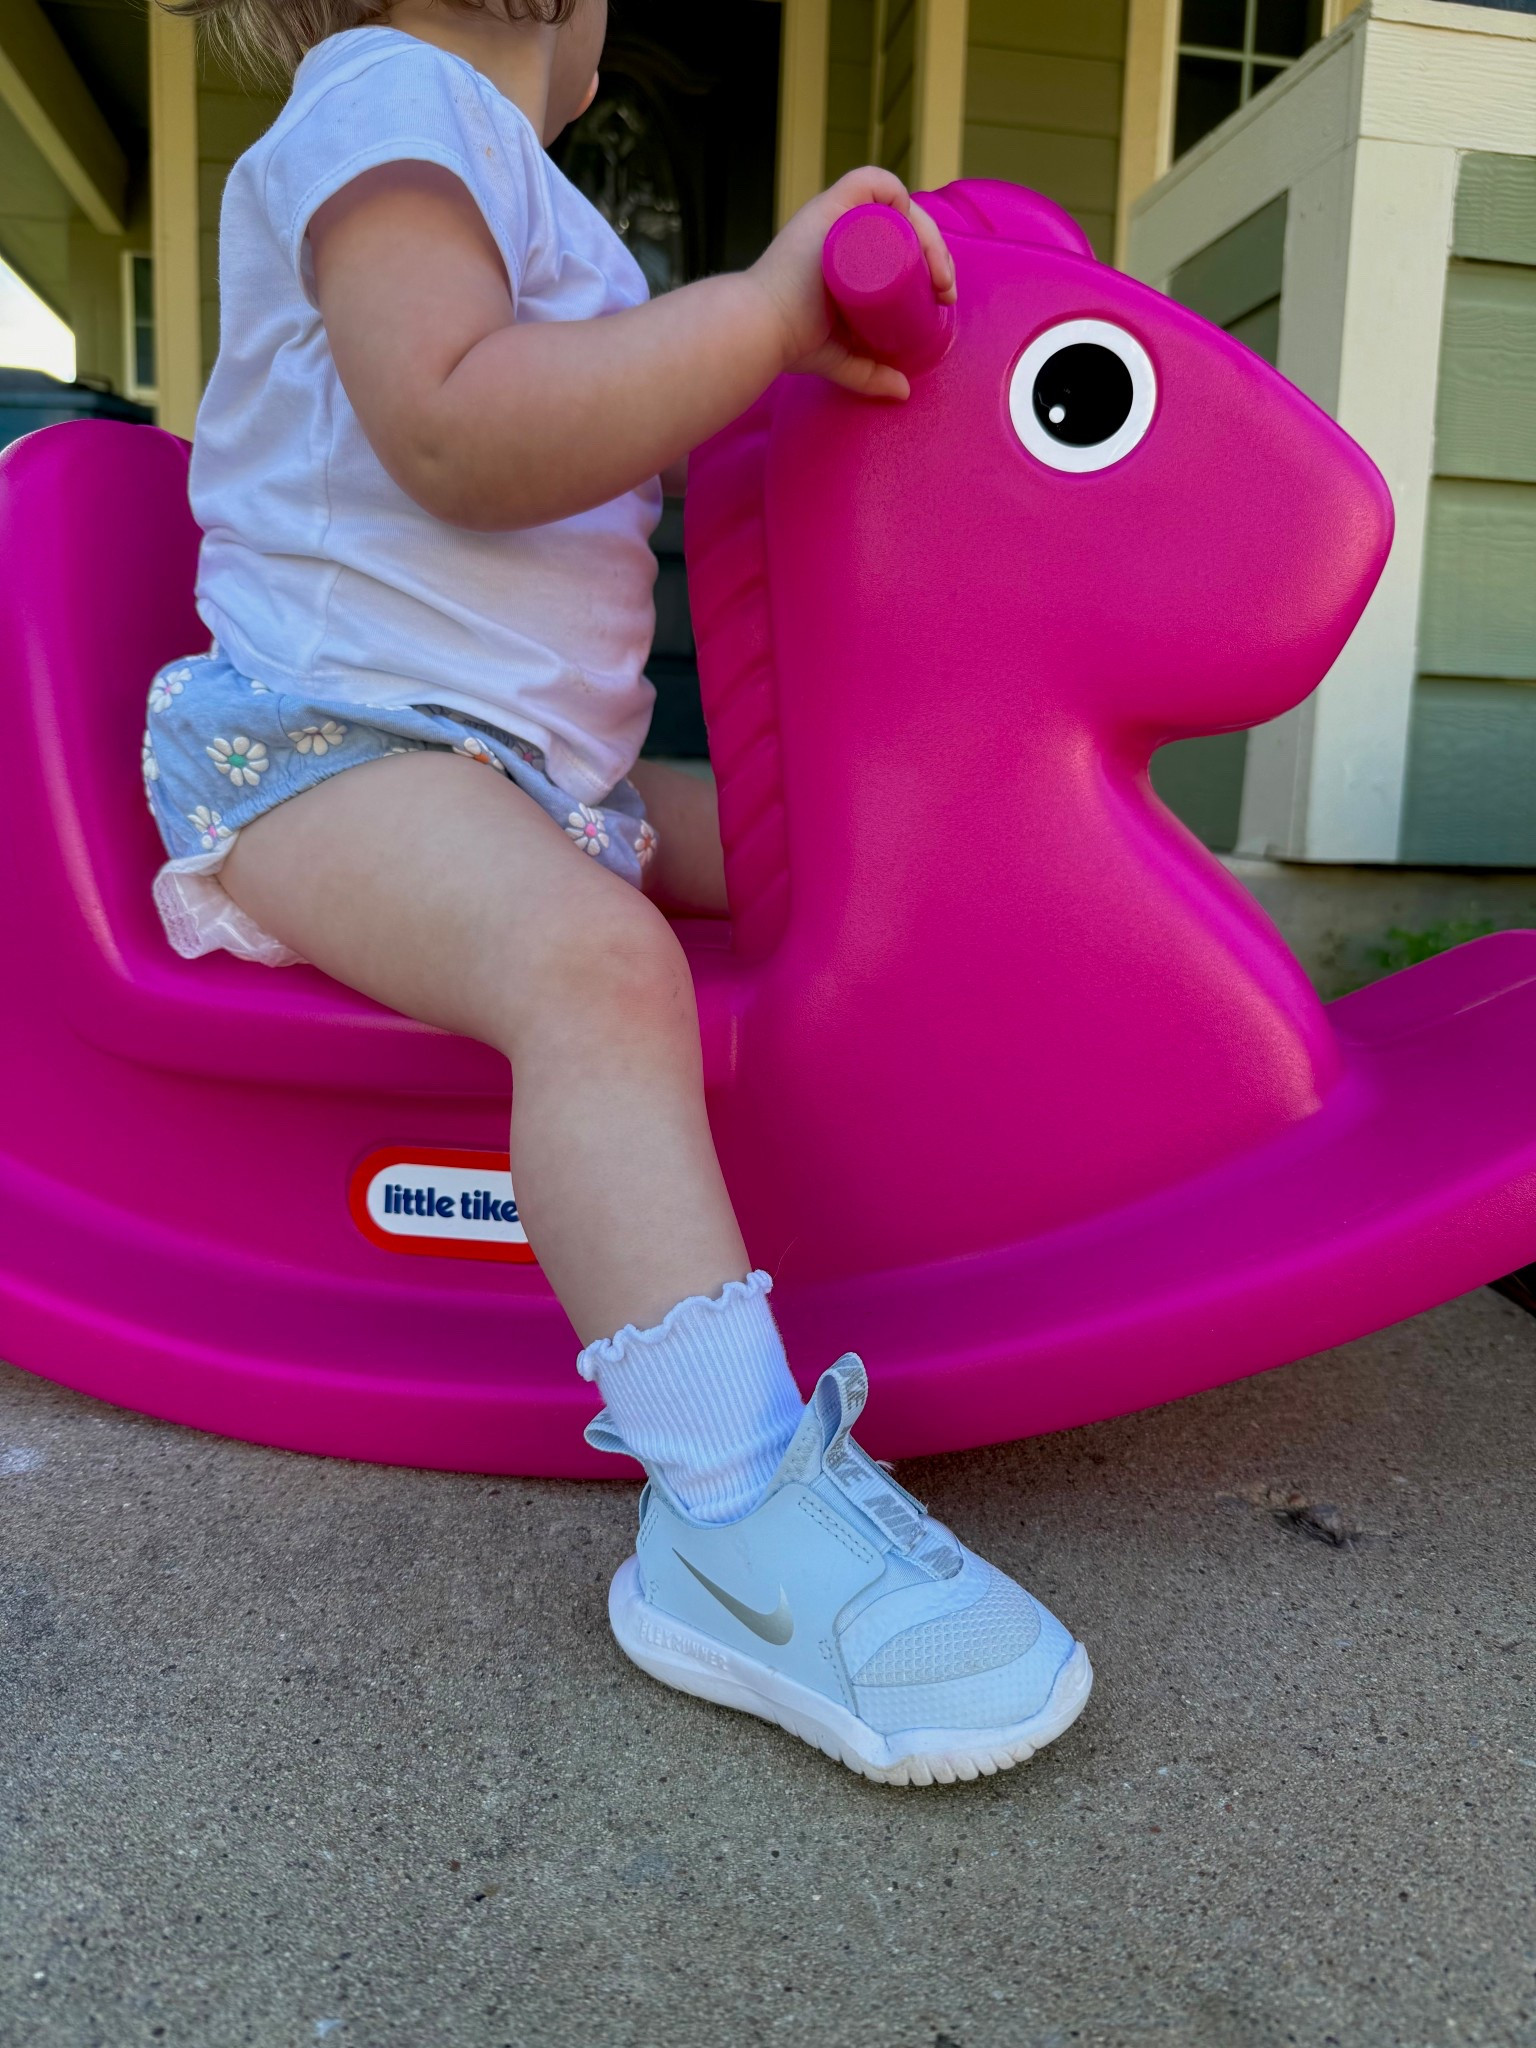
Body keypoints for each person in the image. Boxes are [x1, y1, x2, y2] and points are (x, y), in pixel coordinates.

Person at [142, 0, 1091, 1784]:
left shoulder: (528, 197)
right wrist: (764, 313)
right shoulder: (392, 100)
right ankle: (729, 1512)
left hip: (517, 774)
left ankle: (1023, 1135)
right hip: (327, 753)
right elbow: (453, 430)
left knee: (825, 845)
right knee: (599, 968)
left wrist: (780, 362)